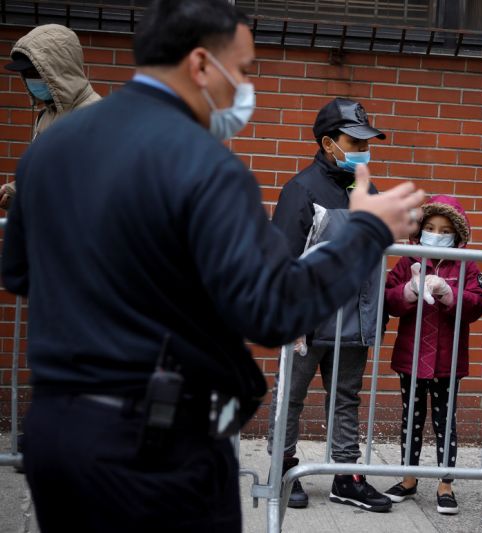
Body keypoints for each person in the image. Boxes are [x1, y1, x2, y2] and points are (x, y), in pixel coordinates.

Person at [0, 1, 424, 532]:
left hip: (60, 434)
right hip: (160, 448)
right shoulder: (204, 166)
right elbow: (274, 308)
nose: (245, 89)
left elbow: (19, 273)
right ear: (202, 65)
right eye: (243, 70)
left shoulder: (49, 148)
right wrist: (368, 229)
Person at [266, 97, 393, 512]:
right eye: (353, 143)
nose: (361, 151)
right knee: (293, 395)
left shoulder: (366, 188)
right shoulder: (300, 189)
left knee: (345, 397)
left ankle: (347, 475)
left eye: (365, 143)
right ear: (327, 143)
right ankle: (283, 468)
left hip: (352, 319)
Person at [381, 195, 482, 515]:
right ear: (420, 229)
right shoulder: (407, 259)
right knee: (410, 419)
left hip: (448, 360)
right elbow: (389, 298)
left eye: (444, 229)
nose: (436, 233)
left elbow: (478, 303)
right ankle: (408, 477)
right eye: (430, 227)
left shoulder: (467, 264)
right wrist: (409, 291)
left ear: (456, 234)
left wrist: (448, 292)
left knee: (444, 421)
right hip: (410, 357)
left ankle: (446, 483)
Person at [1, 24, 101, 209]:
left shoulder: (95, 116)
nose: (30, 79)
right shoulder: (46, 115)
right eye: (25, 74)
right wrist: (16, 191)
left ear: (59, 69)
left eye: (35, 72)